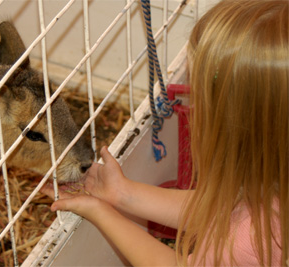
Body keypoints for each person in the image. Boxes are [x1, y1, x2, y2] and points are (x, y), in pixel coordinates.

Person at [42, 0, 288, 265]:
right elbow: (221, 208)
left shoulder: (253, 240)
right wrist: (124, 193)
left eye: (204, 102)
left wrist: (100, 212)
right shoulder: (273, 189)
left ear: (241, 130)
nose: (196, 111)